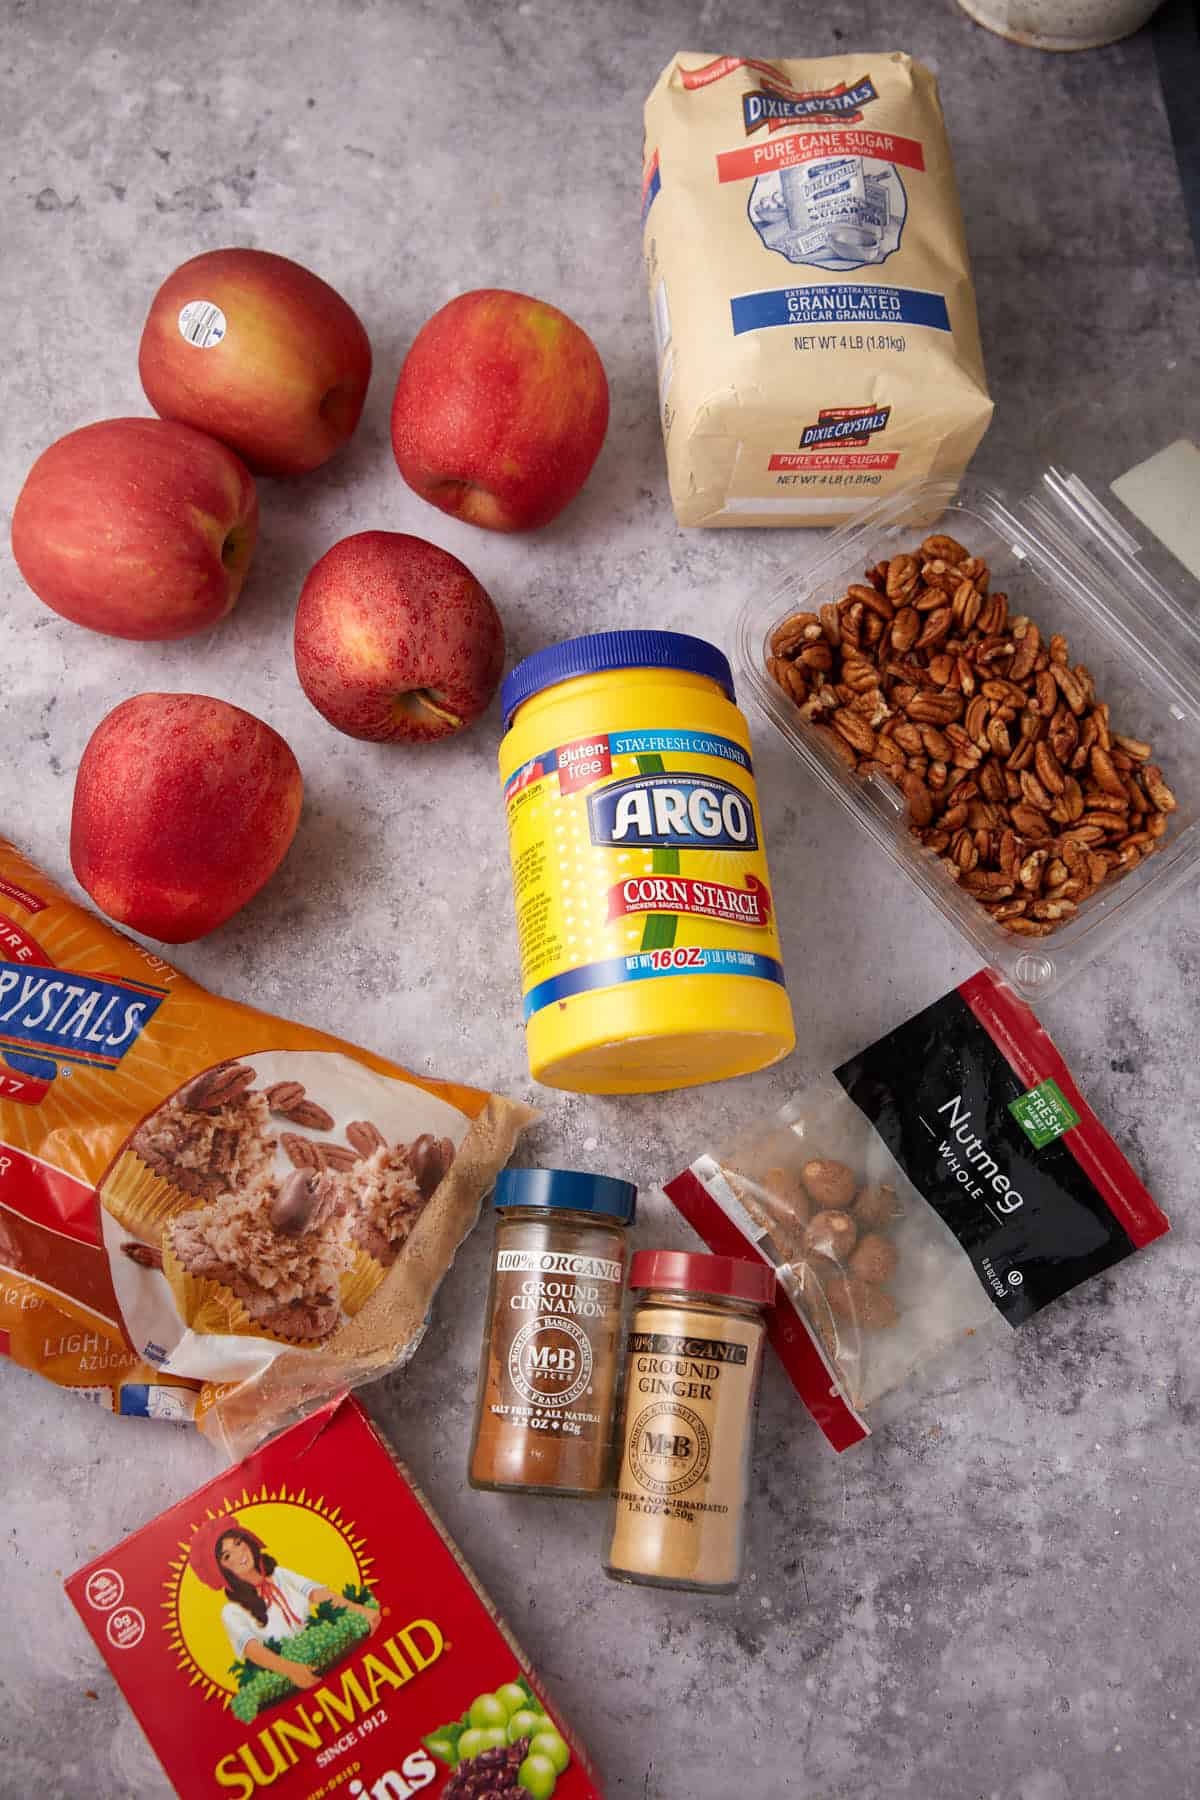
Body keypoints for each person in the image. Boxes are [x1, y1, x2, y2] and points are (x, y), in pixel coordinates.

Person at [191, 1518, 380, 1692]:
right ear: (221, 1570)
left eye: (238, 1543)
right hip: (294, 1685)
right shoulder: (231, 1612)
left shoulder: (280, 1575)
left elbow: (317, 1593)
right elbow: (252, 1649)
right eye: (227, 1556)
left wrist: (359, 1610)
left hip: (326, 1658)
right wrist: (291, 1670)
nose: (239, 1553)